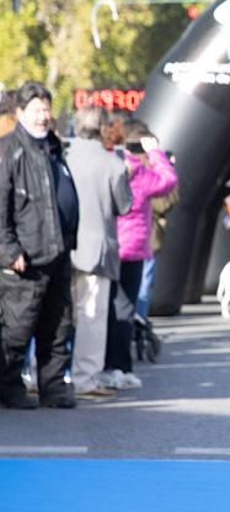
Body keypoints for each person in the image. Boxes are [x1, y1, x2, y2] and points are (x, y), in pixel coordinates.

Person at [0, 83, 79, 409]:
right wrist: (9, 249)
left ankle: (54, 387)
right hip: (25, 258)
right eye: (37, 110)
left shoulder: (53, 147)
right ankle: (9, 388)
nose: (44, 116)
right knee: (17, 329)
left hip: (58, 252)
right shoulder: (10, 150)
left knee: (58, 325)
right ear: (20, 113)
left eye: (47, 109)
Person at [63, 105, 133, 399]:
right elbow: (125, 205)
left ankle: (41, 373)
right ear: (104, 127)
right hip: (97, 248)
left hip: (62, 246)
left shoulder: (63, 153)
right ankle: (85, 378)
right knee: (92, 316)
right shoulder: (112, 164)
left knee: (55, 314)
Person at [106, 119, 178, 389]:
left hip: (109, 246)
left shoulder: (113, 165)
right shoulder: (143, 175)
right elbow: (169, 181)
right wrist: (157, 153)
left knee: (106, 309)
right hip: (133, 249)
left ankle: (101, 364)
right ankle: (121, 366)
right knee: (126, 309)